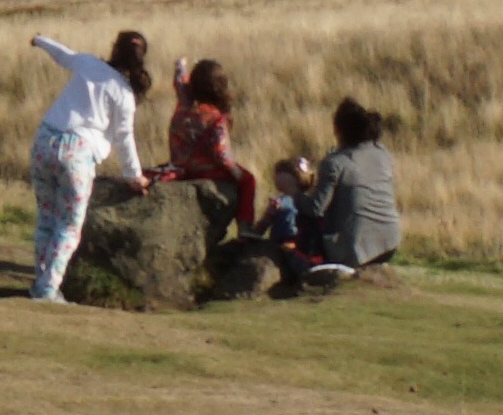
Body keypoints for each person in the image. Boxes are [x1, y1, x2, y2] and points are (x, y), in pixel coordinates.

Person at [19, 25, 149, 304]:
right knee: (68, 225)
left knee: (46, 218)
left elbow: (63, 54)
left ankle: (40, 281)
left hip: (44, 140)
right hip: (77, 153)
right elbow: (124, 137)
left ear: (115, 48)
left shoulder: (89, 63)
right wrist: (134, 176)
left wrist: (40, 39)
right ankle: (47, 290)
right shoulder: (124, 95)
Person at [273, 99, 401, 291]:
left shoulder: (334, 163)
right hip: (389, 242)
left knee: (300, 235)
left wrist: (293, 192)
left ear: (339, 130)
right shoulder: (382, 154)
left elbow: (315, 208)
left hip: (353, 249)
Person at [156, 55, 257, 245]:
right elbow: (221, 153)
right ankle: (245, 228)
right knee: (248, 180)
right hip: (207, 170)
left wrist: (181, 67)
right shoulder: (216, 118)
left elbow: (180, 84)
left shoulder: (184, 105)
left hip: (181, 168)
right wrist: (234, 170)